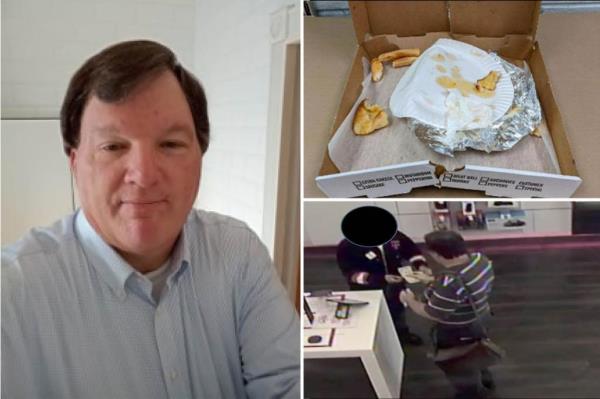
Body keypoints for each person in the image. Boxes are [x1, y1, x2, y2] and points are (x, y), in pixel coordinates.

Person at [1, 40, 299, 399]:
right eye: (113, 146)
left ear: (200, 157)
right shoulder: (14, 296)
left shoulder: (238, 252)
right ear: (74, 163)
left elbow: (288, 383)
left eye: (170, 144)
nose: (143, 175)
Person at [400, 230, 496, 399]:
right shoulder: (480, 259)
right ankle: (486, 377)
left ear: (437, 254)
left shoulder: (449, 282)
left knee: (459, 366)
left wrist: (410, 300)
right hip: (481, 316)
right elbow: (464, 286)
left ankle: (470, 393)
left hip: (458, 329)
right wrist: (433, 282)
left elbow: (434, 313)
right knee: (477, 348)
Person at [337, 230, 430, 346]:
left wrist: (420, 265)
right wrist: (380, 279)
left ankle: (402, 335)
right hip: (368, 288)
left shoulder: (395, 236)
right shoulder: (347, 246)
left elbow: (412, 251)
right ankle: (377, 341)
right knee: (372, 316)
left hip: (396, 283)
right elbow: (351, 274)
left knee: (398, 310)